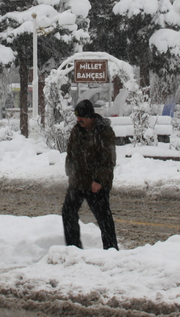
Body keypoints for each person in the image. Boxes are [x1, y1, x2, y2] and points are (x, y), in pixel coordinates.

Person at [62, 99, 118, 250]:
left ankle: (111, 250)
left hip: (96, 184)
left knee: (104, 219)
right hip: (78, 181)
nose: (79, 121)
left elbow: (108, 159)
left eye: (82, 118)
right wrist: (70, 173)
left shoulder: (104, 131)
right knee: (68, 212)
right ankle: (73, 248)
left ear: (91, 117)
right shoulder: (76, 130)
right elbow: (71, 154)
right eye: (77, 118)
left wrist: (99, 180)